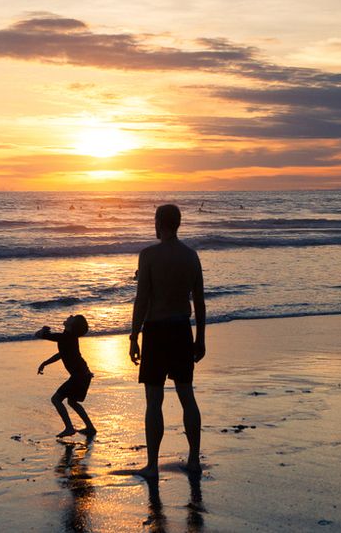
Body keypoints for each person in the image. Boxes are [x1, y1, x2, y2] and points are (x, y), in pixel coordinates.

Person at [129, 204, 206, 477]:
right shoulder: (191, 256)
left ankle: (152, 464)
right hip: (182, 329)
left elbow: (143, 299)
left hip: (156, 331)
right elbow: (198, 301)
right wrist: (201, 338)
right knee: (187, 396)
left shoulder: (148, 255)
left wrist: (134, 334)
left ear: (159, 222)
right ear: (178, 223)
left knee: (154, 399)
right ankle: (193, 459)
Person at [36, 315, 96, 437]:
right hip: (84, 374)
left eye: (72, 318)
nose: (70, 316)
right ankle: (90, 427)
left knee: (56, 399)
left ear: (71, 326)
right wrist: (45, 363)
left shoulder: (65, 337)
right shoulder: (69, 338)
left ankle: (69, 428)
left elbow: (38, 335)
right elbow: (62, 354)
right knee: (72, 402)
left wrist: (43, 331)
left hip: (79, 376)